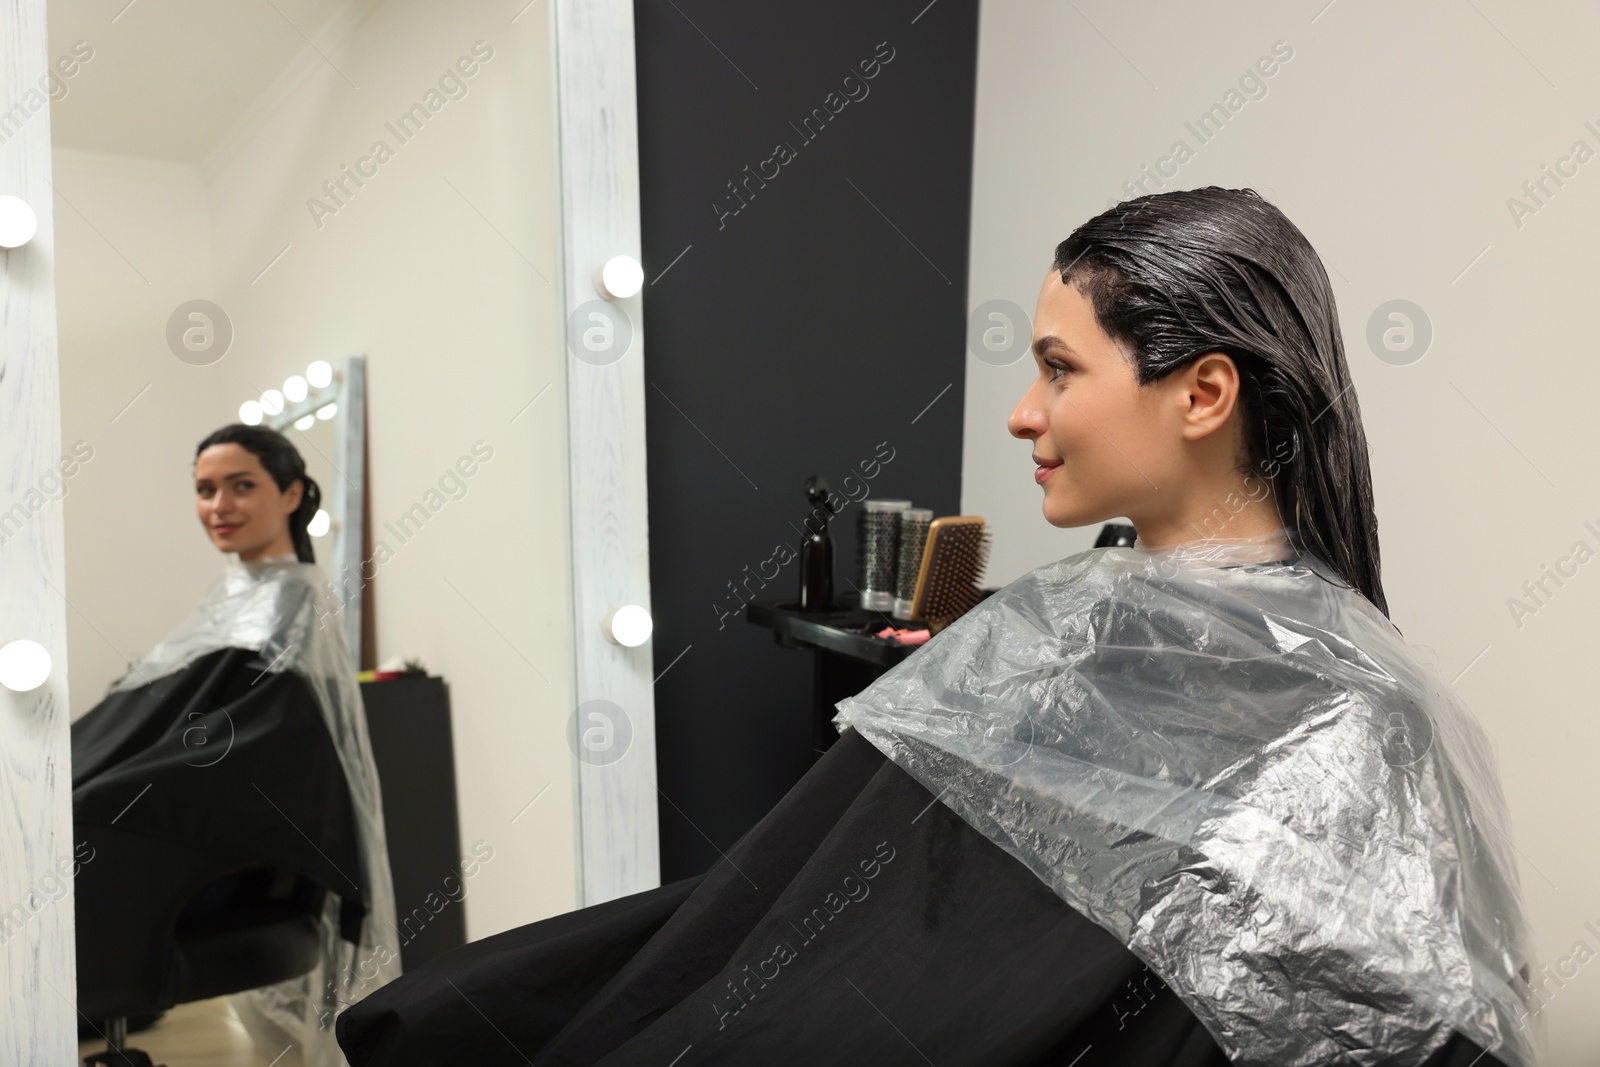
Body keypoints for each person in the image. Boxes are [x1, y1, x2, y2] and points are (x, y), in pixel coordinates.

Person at [334, 188, 1540, 1067]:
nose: (1024, 412)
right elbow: (800, 912)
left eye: (1060, 369)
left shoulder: (1354, 716)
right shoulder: (1057, 630)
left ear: (1203, 392)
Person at [71, 425, 398, 1067]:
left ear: (292, 493)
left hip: (230, 861)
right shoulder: (235, 598)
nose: (219, 505)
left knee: (79, 818)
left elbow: (257, 747)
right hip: (184, 849)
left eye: (241, 486)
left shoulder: (295, 602)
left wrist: (104, 789)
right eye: (205, 490)